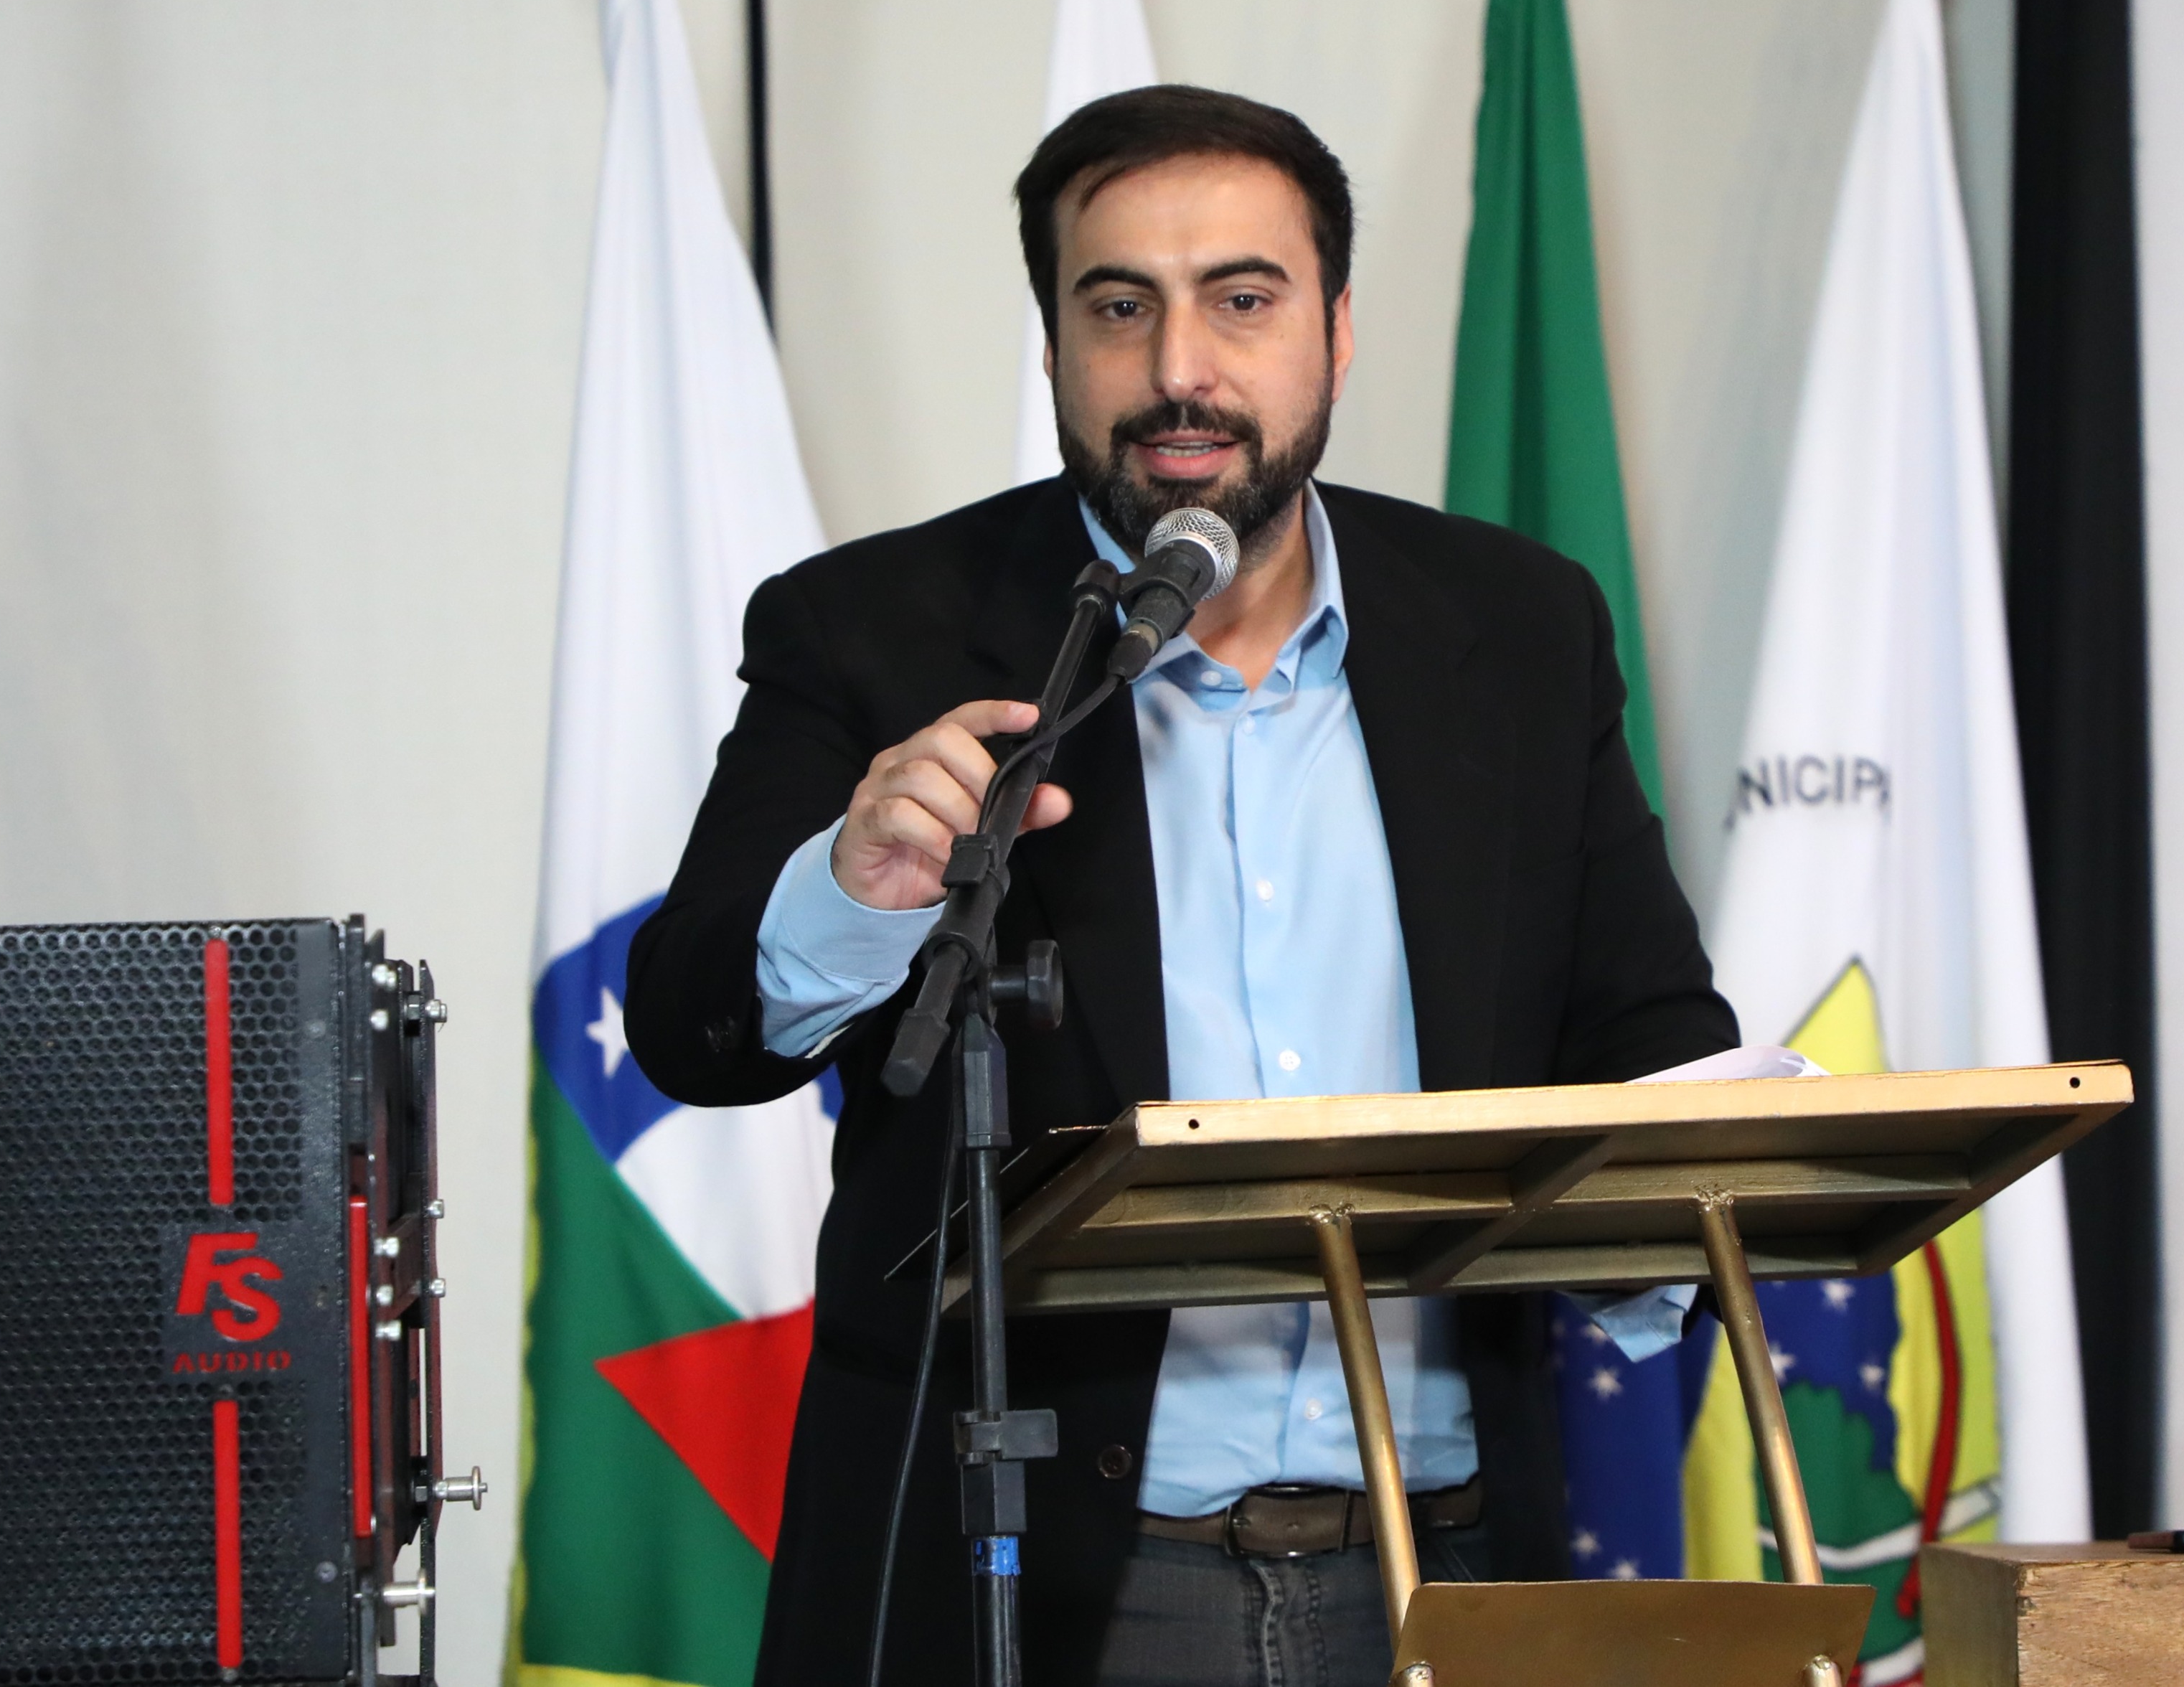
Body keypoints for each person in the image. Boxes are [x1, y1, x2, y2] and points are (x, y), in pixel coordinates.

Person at [626, 85, 1736, 1687]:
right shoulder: (874, 626)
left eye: (1243, 299)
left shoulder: (1517, 627)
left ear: (1336, 332)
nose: (1179, 371)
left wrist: (1706, 1171)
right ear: (1054, 345)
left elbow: (1648, 1035)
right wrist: (855, 894)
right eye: (1118, 307)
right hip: (1050, 1585)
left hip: (1448, 1567)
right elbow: (691, 1031)